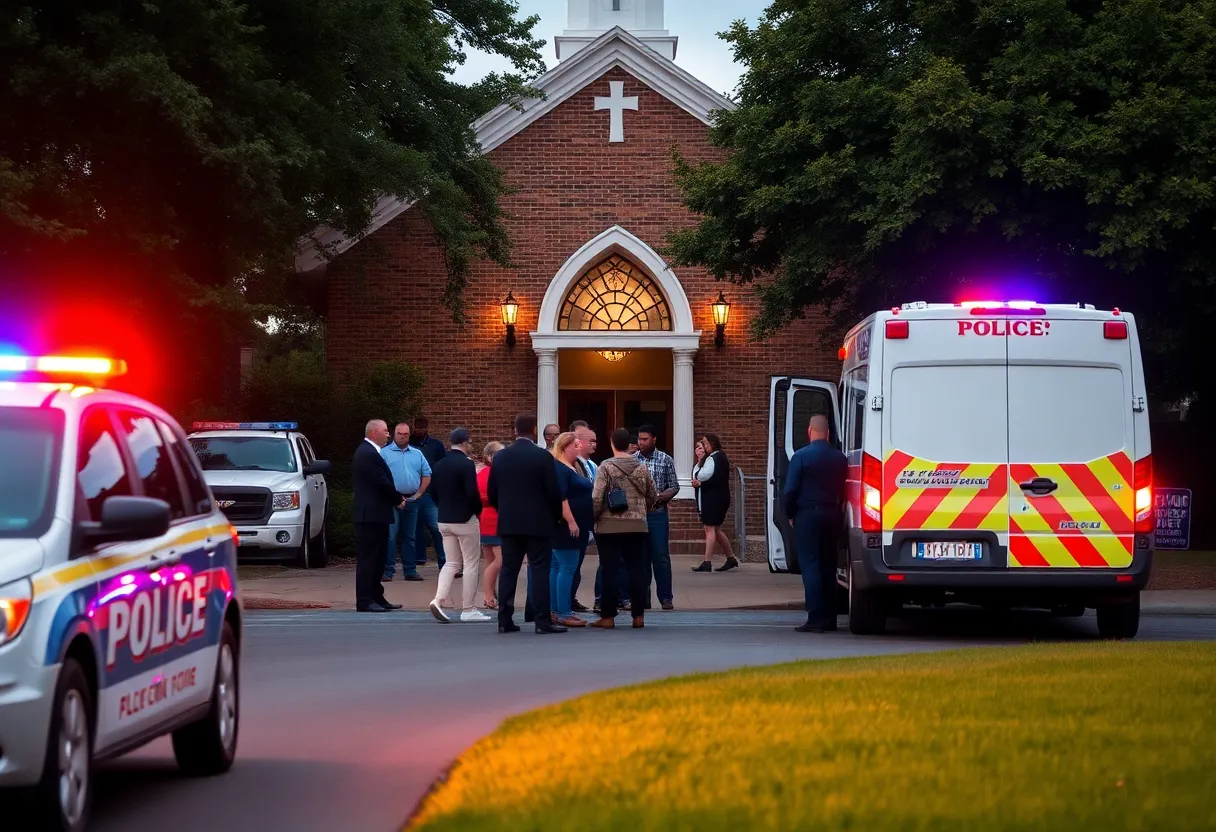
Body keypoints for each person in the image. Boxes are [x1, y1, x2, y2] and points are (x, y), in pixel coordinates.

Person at [487, 414, 565, 634]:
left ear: (514, 430)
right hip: (539, 522)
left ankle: (505, 619)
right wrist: (554, 515)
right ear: (534, 430)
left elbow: (492, 491)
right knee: (540, 569)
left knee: (509, 570)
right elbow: (553, 491)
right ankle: (542, 620)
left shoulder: (501, 457)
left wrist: (504, 510)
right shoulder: (542, 457)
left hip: (510, 522)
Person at [783, 414, 847, 633]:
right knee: (829, 566)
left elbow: (790, 490)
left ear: (810, 431)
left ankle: (815, 617)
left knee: (810, 565)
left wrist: (789, 513)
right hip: (833, 514)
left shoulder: (801, 457)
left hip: (808, 515)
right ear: (828, 433)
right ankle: (830, 618)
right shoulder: (840, 458)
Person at [590, 427, 657, 629]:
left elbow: (597, 497)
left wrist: (593, 517)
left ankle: (608, 617)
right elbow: (652, 496)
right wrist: (643, 511)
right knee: (637, 569)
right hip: (637, 525)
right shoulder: (641, 467)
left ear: (612, 443)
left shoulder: (606, 467)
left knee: (610, 570)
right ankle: (638, 616)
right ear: (629, 445)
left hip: (609, 527)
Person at [428, 429, 491, 623]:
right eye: (470, 441)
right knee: (471, 563)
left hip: (444, 519)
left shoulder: (439, 464)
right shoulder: (466, 464)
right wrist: (476, 511)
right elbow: (472, 493)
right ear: (464, 442)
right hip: (464, 519)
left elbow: (433, 492)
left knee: (451, 562)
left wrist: (443, 507)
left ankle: (438, 599)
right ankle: (468, 609)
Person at [351, 420, 405, 612]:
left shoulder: (372, 453)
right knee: (369, 558)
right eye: (385, 431)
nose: (388, 434)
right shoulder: (366, 453)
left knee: (379, 557)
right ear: (374, 432)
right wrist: (397, 498)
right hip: (370, 515)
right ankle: (365, 599)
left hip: (377, 514)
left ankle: (377, 596)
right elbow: (380, 482)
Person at [550, 432, 593, 628]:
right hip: (567, 526)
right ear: (564, 447)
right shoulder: (560, 468)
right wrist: (571, 521)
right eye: (575, 445)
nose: (579, 448)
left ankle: (554, 609)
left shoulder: (573, 467)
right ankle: (564, 612)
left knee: (558, 567)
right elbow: (561, 497)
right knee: (567, 567)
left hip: (573, 524)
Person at [634, 424, 678, 611]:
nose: (641, 442)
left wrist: (663, 496)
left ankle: (666, 598)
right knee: (641, 558)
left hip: (658, 514)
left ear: (654, 439)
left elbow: (674, 485)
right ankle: (643, 598)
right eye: (639, 439)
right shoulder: (632, 460)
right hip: (637, 516)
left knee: (660, 557)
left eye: (645, 439)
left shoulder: (665, 459)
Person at [380, 422, 430, 582]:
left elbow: (427, 474)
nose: (403, 436)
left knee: (410, 536)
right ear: (394, 434)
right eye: (400, 433)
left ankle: (410, 570)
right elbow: (380, 478)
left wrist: (419, 493)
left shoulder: (417, 454)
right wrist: (393, 497)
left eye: (406, 434)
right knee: (390, 537)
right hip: (392, 501)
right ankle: (388, 571)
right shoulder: (384, 453)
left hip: (411, 500)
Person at [691, 433, 738, 572]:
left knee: (709, 528)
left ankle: (707, 562)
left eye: (705, 443)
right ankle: (731, 558)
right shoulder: (717, 457)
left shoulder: (714, 458)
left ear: (712, 443)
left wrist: (699, 481)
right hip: (717, 497)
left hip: (714, 499)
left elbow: (703, 475)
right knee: (715, 529)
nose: (704, 447)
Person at [568, 420, 600, 613]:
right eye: (592, 440)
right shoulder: (572, 465)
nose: (595, 444)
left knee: (577, 563)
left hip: (587, 520)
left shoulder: (592, 465)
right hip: (574, 521)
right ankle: (564, 603)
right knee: (569, 564)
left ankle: (571, 598)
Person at [410, 417, 448, 569]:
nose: (419, 430)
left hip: (430, 491)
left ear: (427, 428)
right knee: (415, 527)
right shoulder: (410, 443)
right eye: (417, 427)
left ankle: (443, 560)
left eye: (422, 427)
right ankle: (419, 556)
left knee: (435, 527)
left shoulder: (436, 445)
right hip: (412, 490)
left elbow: (442, 465)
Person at [477, 441, 505, 610]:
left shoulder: (482, 473)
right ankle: (488, 595)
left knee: (490, 560)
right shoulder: (493, 473)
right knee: (500, 560)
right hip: (494, 517)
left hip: (485, 516)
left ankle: (489, 595)